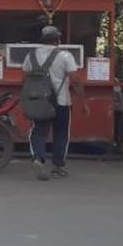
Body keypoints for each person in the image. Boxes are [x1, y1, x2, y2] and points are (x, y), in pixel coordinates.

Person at [22, 25, 84, 180]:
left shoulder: (31, 55)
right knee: (61, 133)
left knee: (38, 131)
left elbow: (24, 79)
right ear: (58, 39)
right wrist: (83, 102)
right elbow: (76, 81)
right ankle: (58, 166)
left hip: (39, 102)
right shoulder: (65, 56)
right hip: (62, 102)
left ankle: (38, 158)